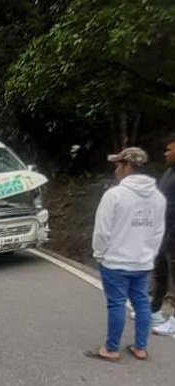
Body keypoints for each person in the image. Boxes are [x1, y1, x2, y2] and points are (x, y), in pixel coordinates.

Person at [86, 147, 165, 362]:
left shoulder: (115, 195)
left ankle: (111, 349)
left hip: (116, 261)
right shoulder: (158, 197)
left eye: (118, 165)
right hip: (143, 262)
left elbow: (102, 231)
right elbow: (158, 232)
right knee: (141, 302)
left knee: (117, 303)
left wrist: (100, 255)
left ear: (127, 166)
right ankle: (140, 348)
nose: (116, 170)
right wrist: (149, 255)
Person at [151, 135, 175, 336]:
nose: (165, 153)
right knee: (160, 273)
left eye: (170, 149)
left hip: (173, 235)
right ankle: (154, 309)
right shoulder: (168, 173)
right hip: (163, 232)